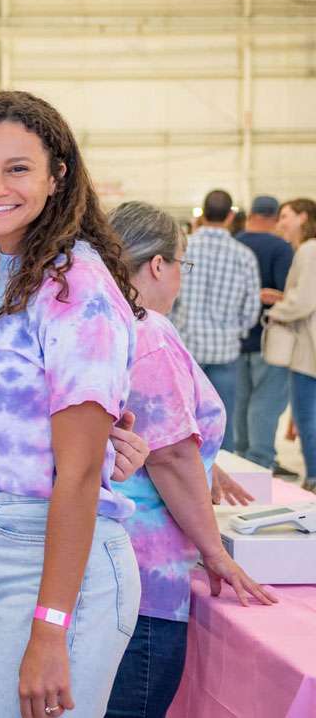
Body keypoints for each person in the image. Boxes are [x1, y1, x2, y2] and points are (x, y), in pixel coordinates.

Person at [0, 91, 140, 717]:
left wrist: (51, 626)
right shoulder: (1, 270)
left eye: (17, 168)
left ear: (57, 177)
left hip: (47, 562)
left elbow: (77, 473)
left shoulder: (74, 285)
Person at [107, 201, 276, 718]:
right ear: (158, 265)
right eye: (183, 262)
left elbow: (165, 436)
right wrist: (217, 553)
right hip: (147, 576)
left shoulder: (101, 320)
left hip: (111, 565)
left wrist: (205, 457)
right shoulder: (149, 332)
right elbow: (171, 457)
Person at [175, 189, 261, 425]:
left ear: (202, 214)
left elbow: (168, 298)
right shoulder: (245, 256)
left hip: (186, 350)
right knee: (222, 427)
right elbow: (251, 309)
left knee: (184, 426)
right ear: (231, 216)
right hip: (225, 351)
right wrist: (236, 331)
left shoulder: (183, 248)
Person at [234, 195, 296, 476]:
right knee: (266, 403)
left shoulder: (235, 243)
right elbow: (290, 294)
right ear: (275, 216)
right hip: (269, 339)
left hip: (235, 339)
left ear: (251, 215)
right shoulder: (281, 248)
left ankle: (242, 462)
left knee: (241, 402)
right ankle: (260, 462)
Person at [265, 198, 316, 492]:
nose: (281, 222)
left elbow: (304, 302)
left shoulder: (309, 250)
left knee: (306, 416)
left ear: (303, 217)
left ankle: (313, 479)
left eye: (286, 216)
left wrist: (274, 312)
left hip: (307, 351)